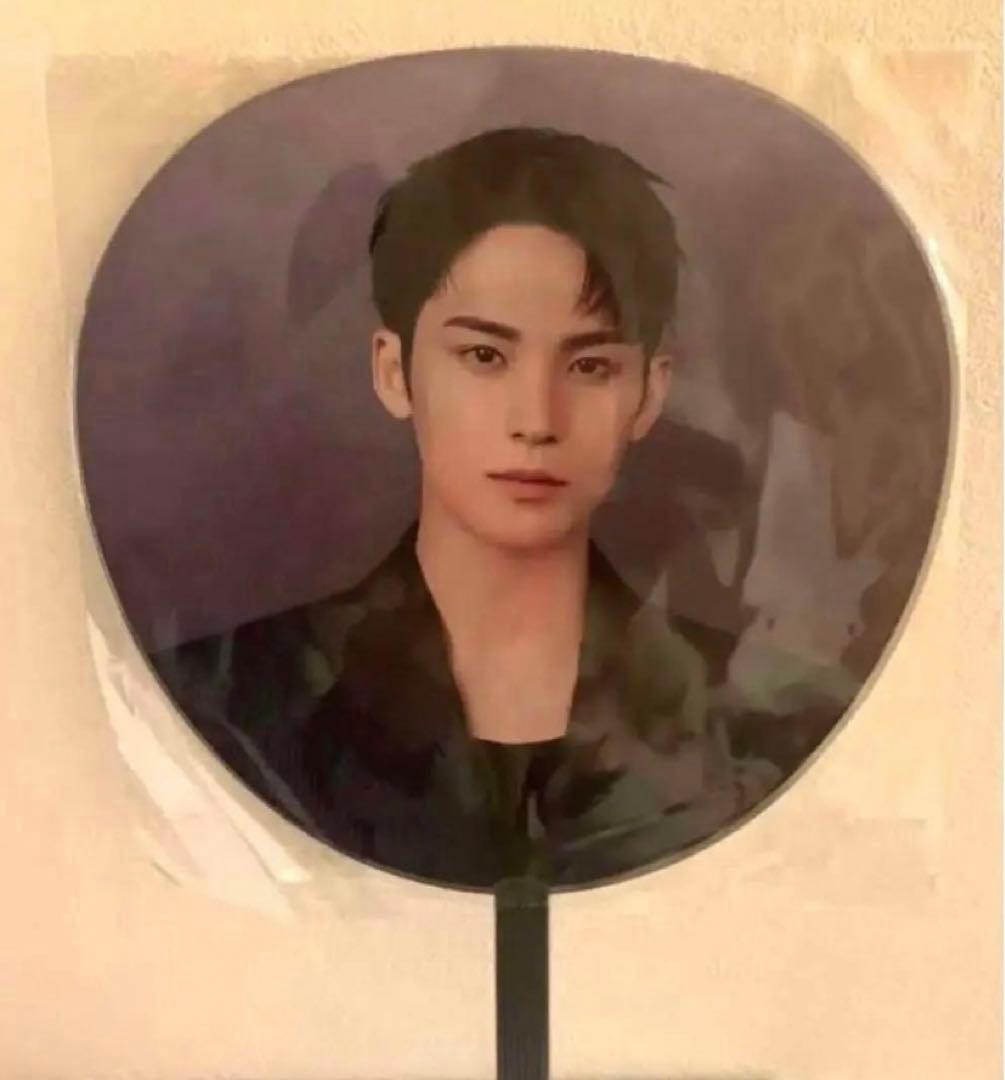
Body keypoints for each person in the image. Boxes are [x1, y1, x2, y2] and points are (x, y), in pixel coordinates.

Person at [149, 127, 829, 890]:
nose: (535, 419)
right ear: (393, 372)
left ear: (649, 393)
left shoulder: (770, 724)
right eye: (483, 356)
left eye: (589, 365)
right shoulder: (224, 702)